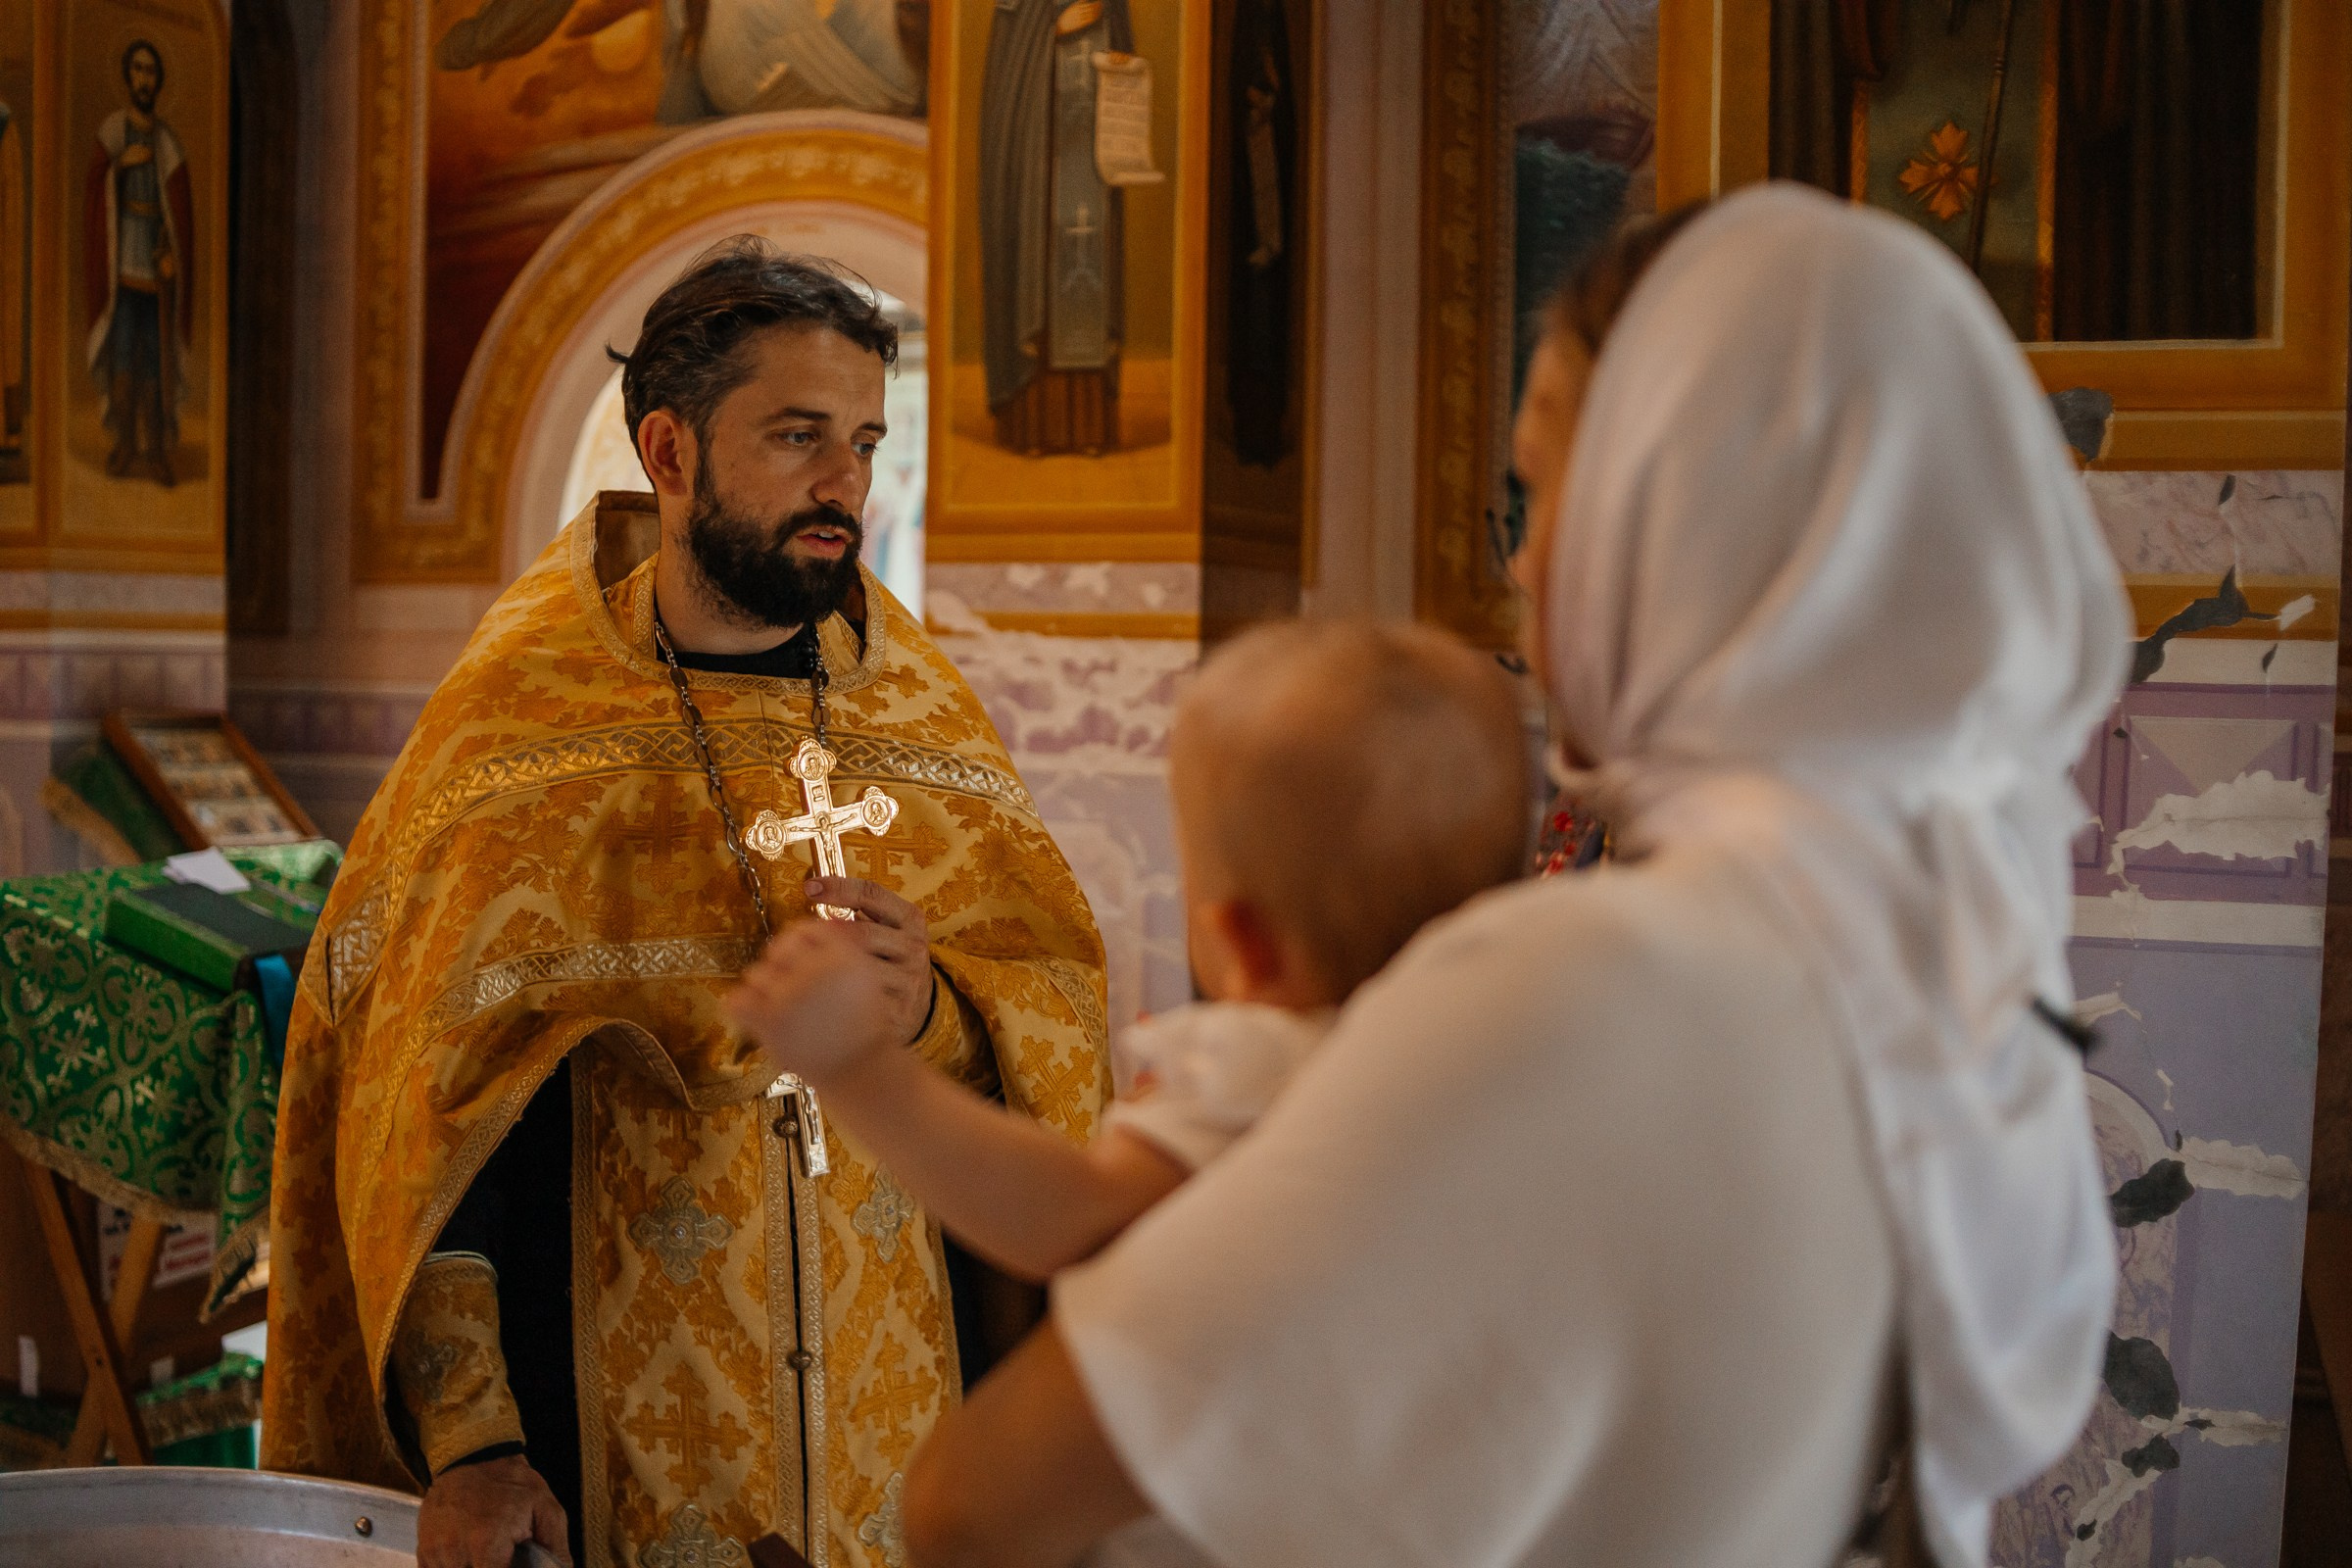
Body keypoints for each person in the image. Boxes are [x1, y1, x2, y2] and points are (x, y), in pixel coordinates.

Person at [890, 184, 2131, 1568]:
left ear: (1696, 514)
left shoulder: (1600, 981)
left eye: (1544, 491)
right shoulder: (1943, 942)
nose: (1526, 559)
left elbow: (975, 1507)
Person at [262, 240, 1112, 1568]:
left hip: (895, 1443)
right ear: (668, 453)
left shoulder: (917, 705)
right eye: (796, 436)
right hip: (617, 1456)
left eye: (866, 441)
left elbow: (1046, 1014)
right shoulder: (515, 727)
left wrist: (931, 1013)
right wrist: (476, 1443)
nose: (846, 484)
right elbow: (417, 1115)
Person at [721, 613, 1527, 1340]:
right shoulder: (1502, 1056)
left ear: (1237, 939)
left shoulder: (1267, 1069)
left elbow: (1063, 1220)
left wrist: (857, 1066)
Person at [83, 39, 193, 486]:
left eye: (151, 71)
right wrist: (120, 167)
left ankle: (156, 450)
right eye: (137, 70)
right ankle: (126, 445)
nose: (144, 79)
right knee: (125, 362)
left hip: (156, 274)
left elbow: (179, 214)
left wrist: (172, 258)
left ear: (158, 80)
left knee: (157, 366)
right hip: (121, 272)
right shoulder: (113, 131)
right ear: (127, 76)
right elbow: (94, 192)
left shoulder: (167, 141)